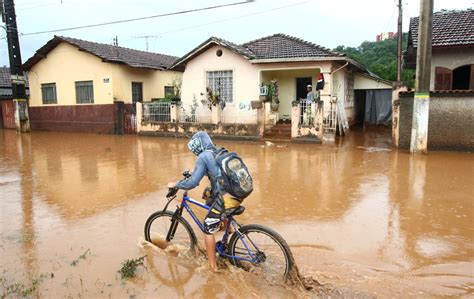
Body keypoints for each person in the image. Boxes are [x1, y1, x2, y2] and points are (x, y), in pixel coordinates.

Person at [167, 131, 239, 272]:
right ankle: (228, 226)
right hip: (236, 192)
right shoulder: (218, 151)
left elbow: (192, 183)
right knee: (208, 193)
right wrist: (194, 171)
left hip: (225, 197)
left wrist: (176, 184)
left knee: (207, 228)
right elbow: (214, 169)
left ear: (197, 146)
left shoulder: (202, 157)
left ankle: (213, 267)